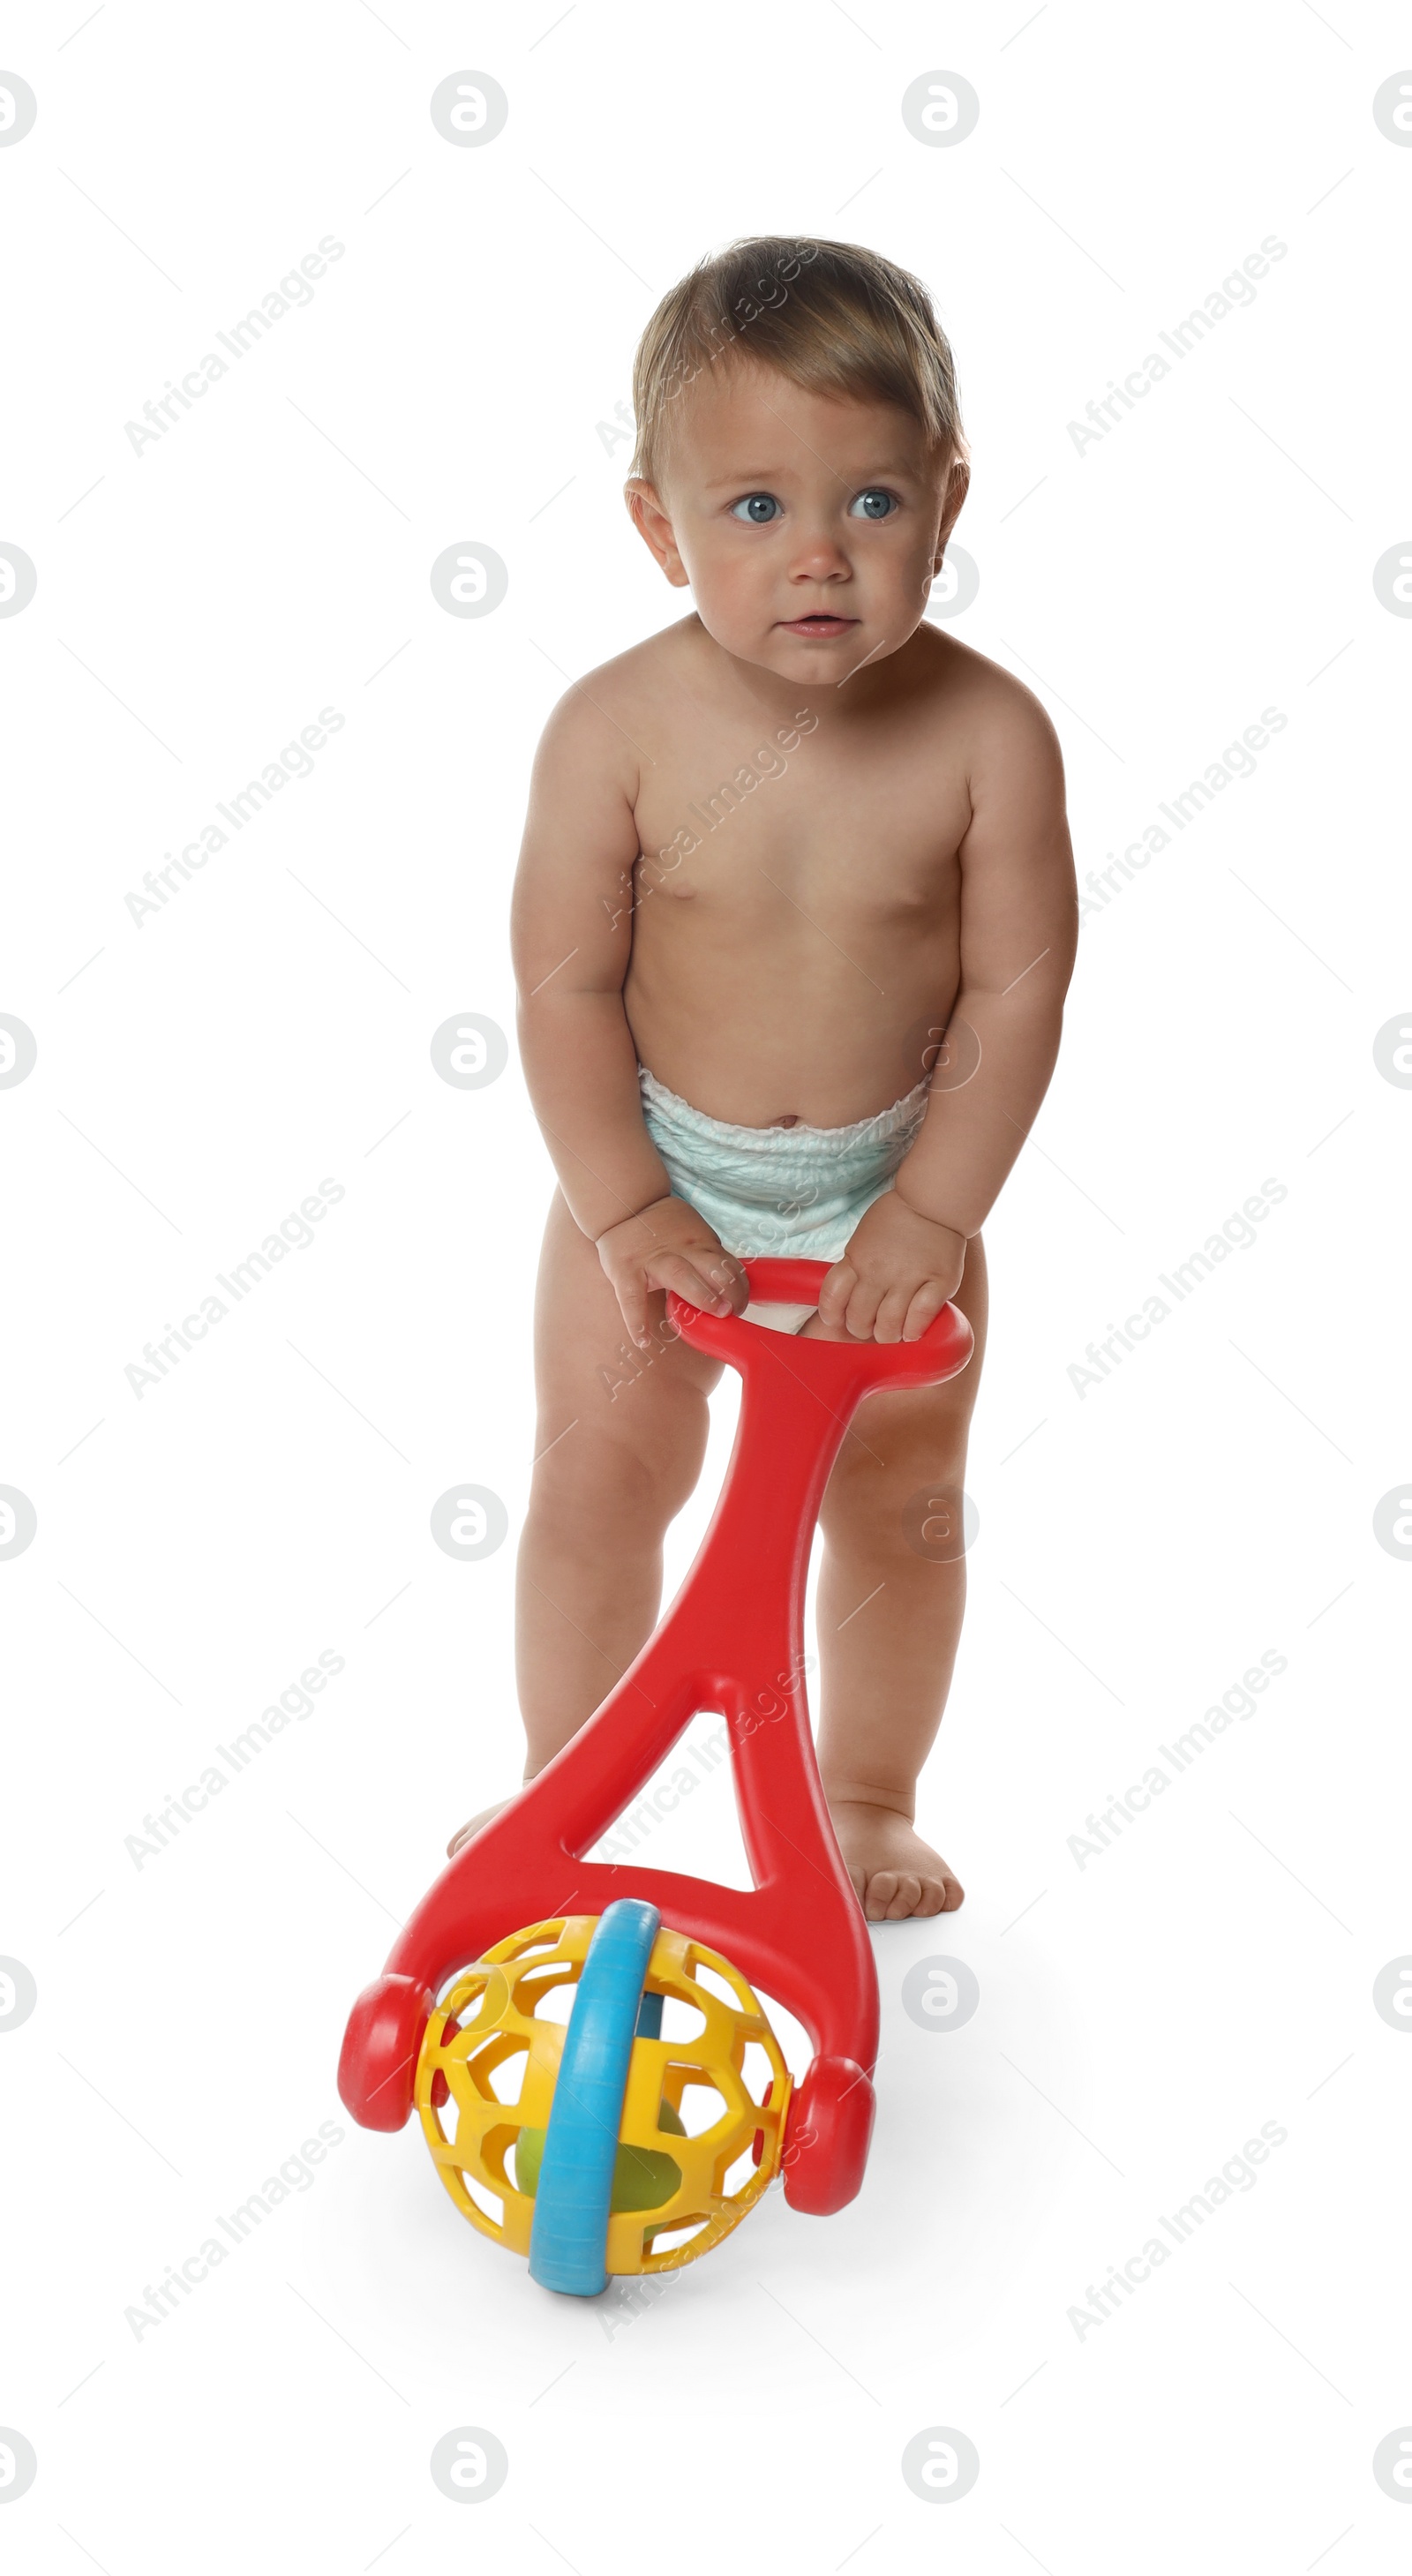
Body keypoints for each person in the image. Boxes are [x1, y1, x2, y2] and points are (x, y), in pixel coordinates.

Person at [451, 235, 1077, 1920]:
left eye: (871, 505)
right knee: (600, 1481)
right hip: (657, 1166)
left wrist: (934, 1211)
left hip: (897, 1187)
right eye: (754, 512)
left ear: (947, 501)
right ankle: (561, 1793)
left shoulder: (987, 735)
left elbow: (1020, 995)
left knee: (904, 1505)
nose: (820, 557)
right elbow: (567, 990)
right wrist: (626, 1206)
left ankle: (865, 1793)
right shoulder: (614, 731)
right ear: (657, 525)